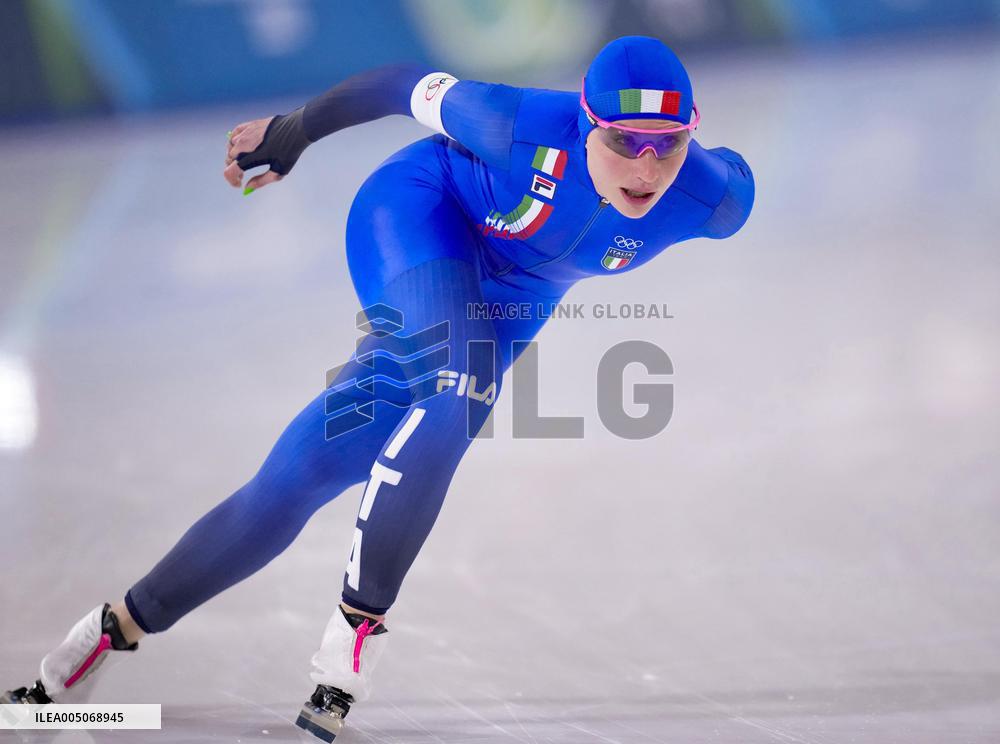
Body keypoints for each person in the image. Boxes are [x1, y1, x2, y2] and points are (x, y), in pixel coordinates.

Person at [3, 36, 754, 742]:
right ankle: (358, 628)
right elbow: (400, 85)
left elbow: (735, 172)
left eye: (668, 144)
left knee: (307, 469)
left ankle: (116, 627)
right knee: (456, 386)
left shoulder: (714, 198)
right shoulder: (511, 123)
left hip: (511, 299)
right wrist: (289, 133)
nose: (647, 167)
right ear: (586, 124)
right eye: (626, 140)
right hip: (420, 216)